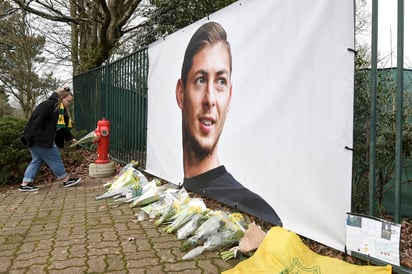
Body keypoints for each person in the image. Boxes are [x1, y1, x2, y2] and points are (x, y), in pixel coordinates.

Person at [175, 22, 281, 226]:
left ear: (229, 97)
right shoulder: (179, 194)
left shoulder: (256, 210)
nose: (210, 99)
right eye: (200, 80)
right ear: (181, 93)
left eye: (220, 81)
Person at [19, 87, 81, 192]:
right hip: (38, 139)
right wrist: (41, 137)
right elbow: (37, 122)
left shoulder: (60, 111)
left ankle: (25, 184)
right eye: (68, 101)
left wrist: (71, 138)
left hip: (36, 140)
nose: (69, 104)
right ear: (62, 98)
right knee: (55, 157)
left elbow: (63, 129)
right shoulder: (47, 106)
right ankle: (66, 180)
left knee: (36, 161)